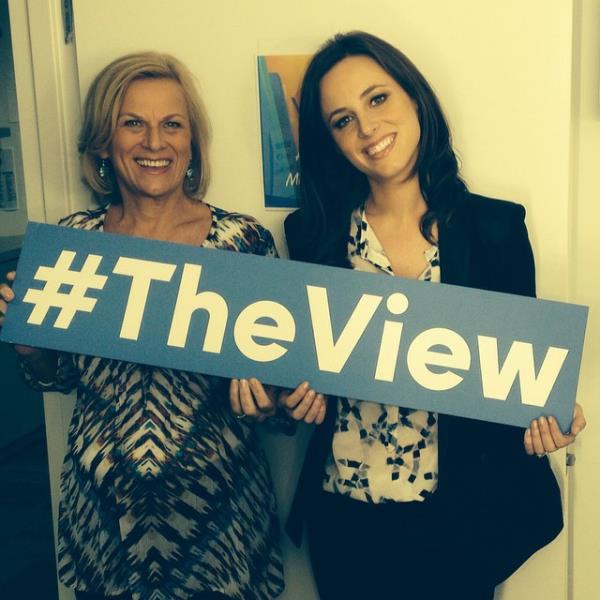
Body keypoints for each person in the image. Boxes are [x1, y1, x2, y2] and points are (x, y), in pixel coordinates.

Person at [279, 31, 586, 599]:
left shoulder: (495, 229)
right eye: (343, 120)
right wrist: (297, 397)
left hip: (462, 525)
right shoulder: (312, 234)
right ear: (330, 140)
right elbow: (306, 370)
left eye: (378, 99)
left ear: (415, 99)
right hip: (346, 520)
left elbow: (518, 373)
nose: (367, 129)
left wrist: (547, 418)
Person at [0, 52, 290, 600]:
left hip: (221, 522)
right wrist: (29, 347)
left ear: (192, 142)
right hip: (104, 520)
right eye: (133, 123)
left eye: (172, 124)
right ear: (104, 142)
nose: (155, 142)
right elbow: (59, 376)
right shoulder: (73, 241)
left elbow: (277, 397)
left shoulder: (243, 243)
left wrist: (269, 402)